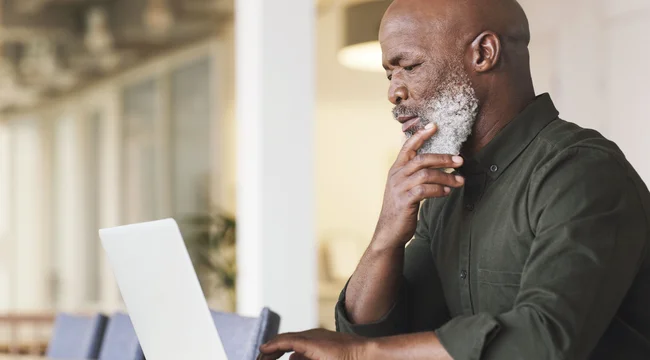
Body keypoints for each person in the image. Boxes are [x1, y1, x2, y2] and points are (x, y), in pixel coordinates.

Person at [258, 0, 650, 358]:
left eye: (409, 66)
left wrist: (362, 353)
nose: (394, 92)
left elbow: (544, 340)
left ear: (484, 53)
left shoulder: (581, 171)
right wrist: (385, 236)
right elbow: (378, 331)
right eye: (389, 74)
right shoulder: (445, 189)